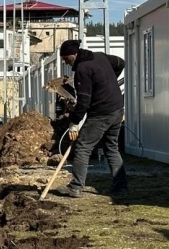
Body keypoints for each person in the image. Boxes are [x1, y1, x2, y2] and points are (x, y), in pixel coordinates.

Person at [53, 39, 127, 198]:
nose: (65, 62)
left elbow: (84, 101)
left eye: (66, 58)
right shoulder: (100, 57)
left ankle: (75, 187)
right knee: (111, 147)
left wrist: (74, 122)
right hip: (117, 108)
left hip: (102, 113)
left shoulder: (82, 69)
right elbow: (121, 63)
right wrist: (109, 82)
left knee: (83, 147)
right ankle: (120, 187)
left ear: (73, 55)